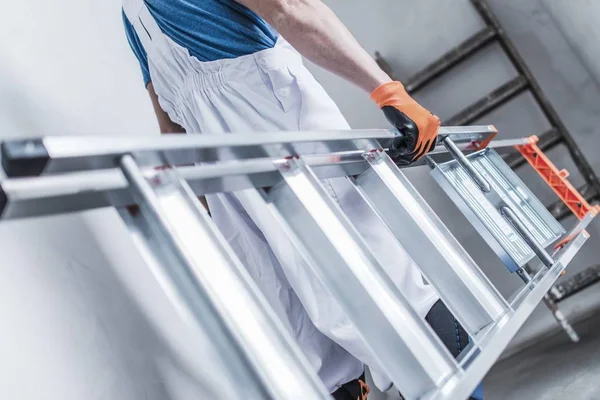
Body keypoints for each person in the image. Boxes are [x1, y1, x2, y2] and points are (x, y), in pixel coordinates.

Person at [121, 1, 482, 399]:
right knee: (303, 340)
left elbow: (292, 11)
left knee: (383, 294)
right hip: (225, 173)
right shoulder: (132, 12)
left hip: (283, 130)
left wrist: (387, 91)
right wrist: (196, 203)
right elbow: (170, 122)